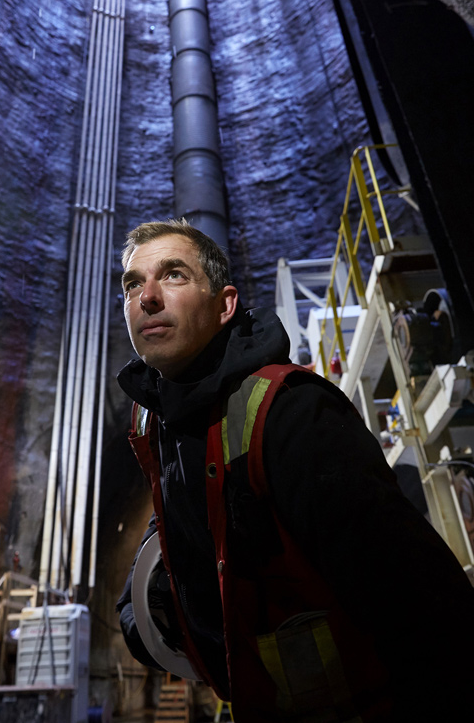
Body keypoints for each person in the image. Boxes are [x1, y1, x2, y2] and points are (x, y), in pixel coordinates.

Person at [116, 218, 474, 722]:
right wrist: (142, 607)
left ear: (225, 305)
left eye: (173, 275)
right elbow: (188, 525)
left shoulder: (290, 414)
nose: (147, 297)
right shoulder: (161, 422)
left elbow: (425, 608)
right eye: (133, 284)